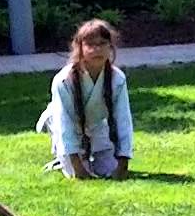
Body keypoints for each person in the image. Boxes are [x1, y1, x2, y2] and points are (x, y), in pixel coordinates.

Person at [36, 19, 134, 180]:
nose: (97, 49)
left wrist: (123, 161)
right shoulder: (63, 80)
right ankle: (62, 160)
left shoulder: (117, 78)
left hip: (96, 126)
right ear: (80, 49)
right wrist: (77, 166)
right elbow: (64, 124)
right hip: (69, 127)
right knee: (78, 173)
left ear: (110, 47)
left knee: (109, 169)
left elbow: (123, 120)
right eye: (90, 45)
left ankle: (88, 157)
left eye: (102, 43)